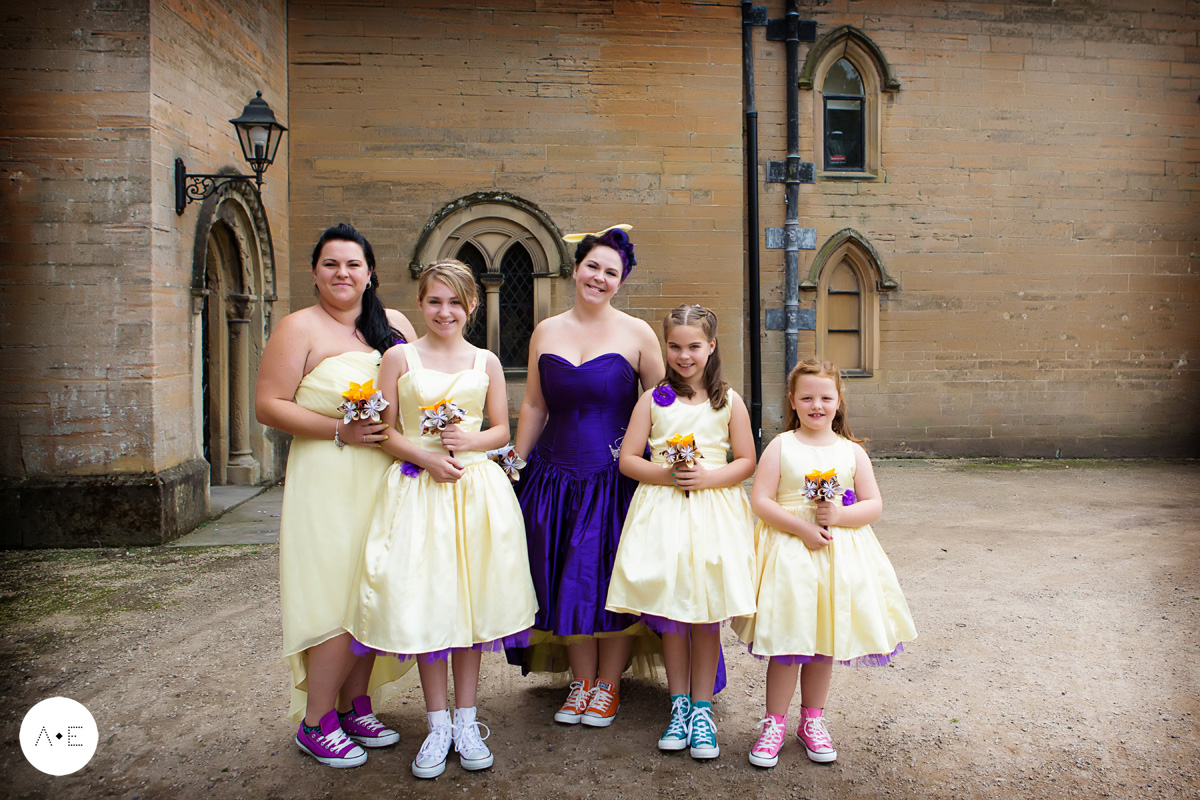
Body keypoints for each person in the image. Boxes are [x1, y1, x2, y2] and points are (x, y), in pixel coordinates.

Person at [342, 259, 538, 779]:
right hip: (419, 490)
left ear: (471, 306)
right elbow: (385, 429)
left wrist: (470, 441)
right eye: (434, 301)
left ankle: (468, 720)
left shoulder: (486, 361)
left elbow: (501, 428)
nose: (444, 311)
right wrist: (427, 457)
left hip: (474, 490)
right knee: (430, 602)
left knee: (468, 608)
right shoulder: (400, 357)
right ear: (421, 303)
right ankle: (436, 724)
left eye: (455, 302)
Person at [255, 222, 418, 768]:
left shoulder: (394, 325)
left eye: (353, 264)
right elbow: (269, 405)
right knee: (334, 590)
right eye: (331, 264)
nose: (342, 273)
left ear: (371, 272)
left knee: (375, 585)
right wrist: (336, 429)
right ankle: (316, 719)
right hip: (329, 474)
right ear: (315, 272)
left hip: (386, 474)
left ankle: (356, 704)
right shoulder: (297, 328)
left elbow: (421, 388)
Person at [507, 224, 665, 728]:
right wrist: (516, 464)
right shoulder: (546, 330)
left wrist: (670, 465)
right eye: (592, 266)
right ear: (576, 269)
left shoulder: (638, 333)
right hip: (552, 474)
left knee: (610, 579)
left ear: (622, 281)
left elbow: (663, 404)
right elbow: (534, 403)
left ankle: (609, 685)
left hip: (614, 476)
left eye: (610, 272)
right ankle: (580, 683)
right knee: (562, 578)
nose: (599, 277)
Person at [733, 359, 917, 768]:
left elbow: (873, 505)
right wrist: (800, 529)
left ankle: (812, 720)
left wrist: (839, 516)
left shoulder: (852, 452)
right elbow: (760, 500)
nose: (817, 405)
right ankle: (773, 723)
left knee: (822, 643)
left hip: (837, 555)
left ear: (838, 401)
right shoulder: (781, 446)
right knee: (787, 642)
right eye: (807, 398)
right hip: (789, 555)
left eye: (825, 397)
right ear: (793, 402)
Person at [606, 304, 757, 759]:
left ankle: (703, 710)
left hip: (712, 512)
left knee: (706, 613)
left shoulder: (728, 401)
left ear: (711, 347)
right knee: (673, 614)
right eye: (675, 346)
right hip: (664, 512)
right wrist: (667, 475)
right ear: (665, 346)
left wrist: (708, 476)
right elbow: (628, 459)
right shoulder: (652, 399)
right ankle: (678, 706)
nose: (684, 355)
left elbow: (746, 460)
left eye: (694, 346)